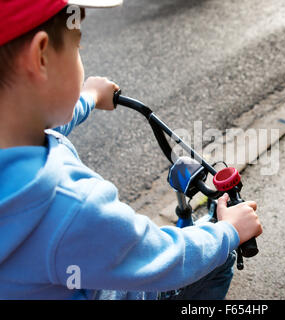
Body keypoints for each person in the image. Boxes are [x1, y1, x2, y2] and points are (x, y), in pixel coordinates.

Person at [0, 0, 262, 300]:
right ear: (42, 57)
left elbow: (49, 126)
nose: (80, 56)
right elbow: (163, 258)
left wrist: (88, 96)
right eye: (77, 46)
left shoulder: (15, 142)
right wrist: (229, 232)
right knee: (216, 257)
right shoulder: (71, 207)